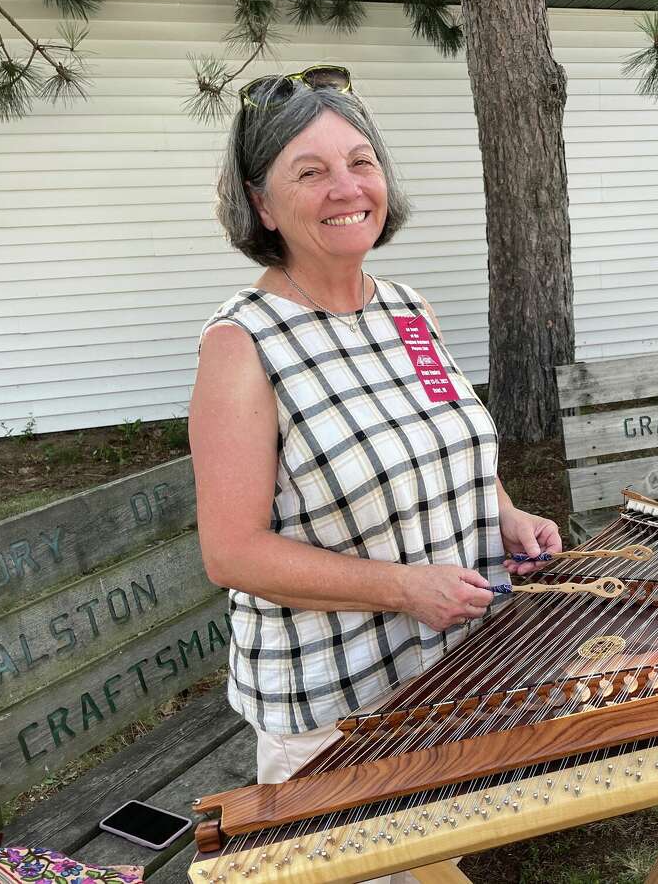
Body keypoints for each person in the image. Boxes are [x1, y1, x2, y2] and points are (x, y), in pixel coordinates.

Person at [189, 64, 561, 816]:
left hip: (449, 673)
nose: (346, 187)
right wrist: (403, 588)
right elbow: (231, 553)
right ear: (261, 203)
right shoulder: (243, 344)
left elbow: (444, 438)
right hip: (336, 709)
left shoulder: (406, 309)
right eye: (311, 171)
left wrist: (505, 513)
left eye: (361, 163)